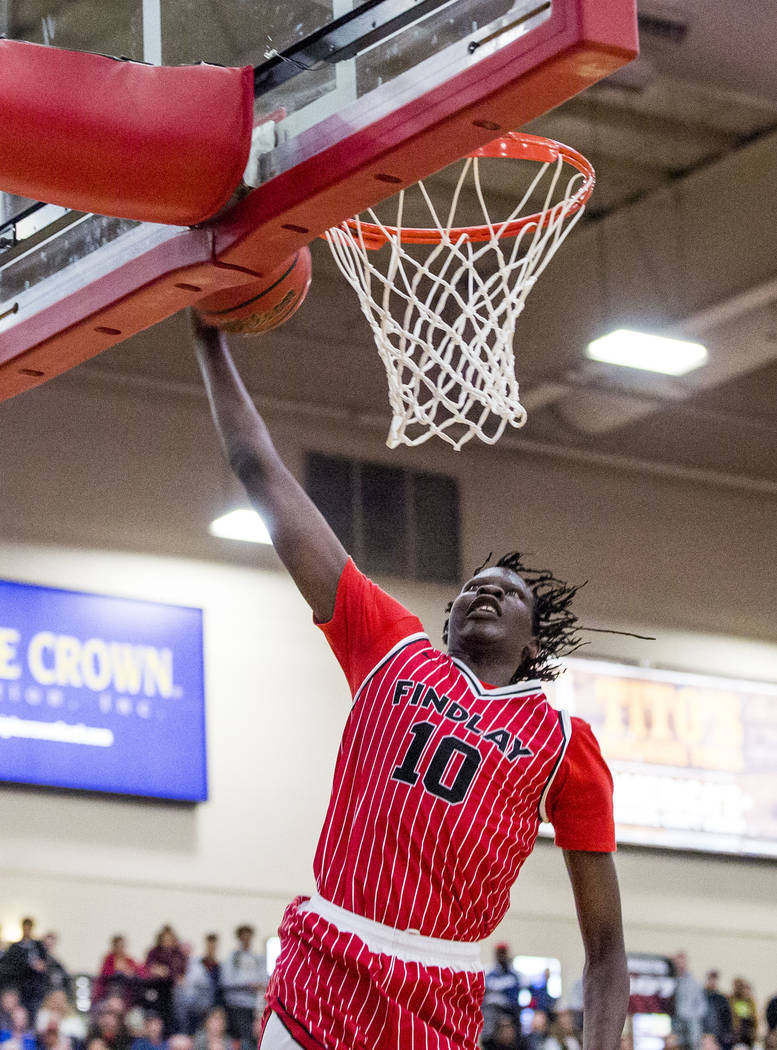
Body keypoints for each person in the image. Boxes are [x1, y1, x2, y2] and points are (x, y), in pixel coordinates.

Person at [191, 316, 629, 1050]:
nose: (483, 593)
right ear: (449, 615)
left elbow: (607, 944)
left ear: (532, 644)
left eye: (508, 593)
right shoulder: (390, 647)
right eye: (470, 587)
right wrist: (209, 339)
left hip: (439, 991)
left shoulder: (561, 744)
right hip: (326, 964)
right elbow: (257, 468)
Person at [220, 928, 265, 1046]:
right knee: (241, 1039)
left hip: (254, 1006)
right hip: (236, 1005)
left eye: (248, 937)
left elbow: (264, 979)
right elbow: (226, 980)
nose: (246, 941)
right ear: (239, 938)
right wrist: (247, 984)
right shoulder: (232, 958)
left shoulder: (257, 958)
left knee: (254, 1037)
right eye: (243, 937)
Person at [1, 921, 48, 1020]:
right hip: (20, 987)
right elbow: (11, 965)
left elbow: (44, 964)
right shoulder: (15, 947)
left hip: (35, 988)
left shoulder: (38, 946)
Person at [179, 936, 222, 1036]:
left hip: (200, 1008)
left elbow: (206, 986)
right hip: (183, 1010)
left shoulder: (199, 966)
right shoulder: (176, 967)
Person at [93, 938, 143, 1010]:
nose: (120, 949)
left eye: (122, 946)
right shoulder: (109, 959)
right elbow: (104, 975)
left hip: (126, 993)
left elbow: (140, 971)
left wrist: (131, 972)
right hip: (110, 992)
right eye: (118, 946)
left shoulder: (128, 960)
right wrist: (119, 970)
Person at [483, 944, 522, 1035]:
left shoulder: (514, 976)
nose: (501, 956)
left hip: (508, 1012)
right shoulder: (489, 973)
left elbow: (514, 999)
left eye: (503, 953)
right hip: (491, 1014)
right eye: (499, 953)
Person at [672, 952, 706, 1050]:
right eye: (677, 963)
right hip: (676, 1020)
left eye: (682, 963)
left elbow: (701, 1003)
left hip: (692, 1021)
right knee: (677, 1045)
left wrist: (696, 1015)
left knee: (694, 1043)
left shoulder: (694, 982)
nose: (680, 966)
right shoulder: (671, 980)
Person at [703, 971, 733, 1050]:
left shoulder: (722, 999)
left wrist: (725, 1034)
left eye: (714, 980)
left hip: (719, 1035)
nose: (712, 982)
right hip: (704, 1034)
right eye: (710, 980)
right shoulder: (701, 997)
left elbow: (727, 1018)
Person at [728, 979, 757, 1047]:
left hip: (748, 1032)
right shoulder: (732, 1000)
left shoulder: (751, 1002)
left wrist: (754, 1031)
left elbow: (755, 1019)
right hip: (737, 1032)